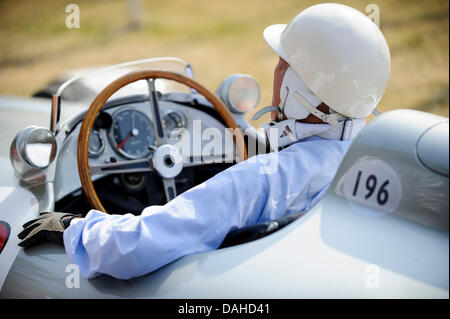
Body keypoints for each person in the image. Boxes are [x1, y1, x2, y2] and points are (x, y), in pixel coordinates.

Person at [17, 3, 390, 280]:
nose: (275, 73)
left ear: (299, 89)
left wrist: (73, 227)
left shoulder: (262, 179)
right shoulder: (377, 166)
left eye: (282, 66)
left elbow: (139, 245)